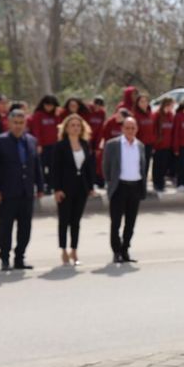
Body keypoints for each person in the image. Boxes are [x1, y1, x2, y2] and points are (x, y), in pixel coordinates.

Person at [0, 109, 44, 271]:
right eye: (15, 123)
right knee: (6, 227)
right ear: (9, 123)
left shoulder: (31, 140)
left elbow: (36, 166)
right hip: (7, 193)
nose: (18, 126)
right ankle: (5, 258)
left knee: (25, 228)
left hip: (27, 192)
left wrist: (40, 187)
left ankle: (20, 257)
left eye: (21, 123)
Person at [53, 113, 96, 266]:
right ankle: (63, 250)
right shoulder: (60, 146)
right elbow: (55, 169)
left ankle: (74, 250)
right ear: (66, 128)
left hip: (81, 187)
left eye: (78, 125)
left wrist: (91, 186)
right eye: (72, 125)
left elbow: (89, 167)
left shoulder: (85, 144)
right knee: (64, 220)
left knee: (76, 221)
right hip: (65, 188)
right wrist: (57, 189)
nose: (76, 128)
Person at [102, 117, 146, 264]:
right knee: (116, 222)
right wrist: (111, 181)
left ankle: (125, 249)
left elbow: (142, 166)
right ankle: (116, 252)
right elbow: (106, 167)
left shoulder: (140, 145)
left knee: (130, 222)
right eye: (127, 128)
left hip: (135, 187)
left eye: (133, 128)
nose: (130, 131)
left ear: (137, 129)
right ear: (122, 129)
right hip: (119, 187)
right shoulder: (112, 145)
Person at [30, 95, 61, 194]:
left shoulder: (57, 115)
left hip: (55, 145)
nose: (49, 108)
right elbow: (36, 130)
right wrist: (38, 144)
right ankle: (41, 186)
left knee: (53, 167)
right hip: (43, 145)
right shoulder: (38, 115)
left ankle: (51, 186)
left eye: (51, 105)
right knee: (41, 167)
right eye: (47, 105)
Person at [152, 96, 175, 192]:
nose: (172, 107)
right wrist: (155, 142)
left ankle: (162, 182)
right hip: (159, 145)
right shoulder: (157, 114)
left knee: (164, 165)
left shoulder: (171, 115)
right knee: (157, 164)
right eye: (171, 105)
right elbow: (153, 129)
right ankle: (156, 183)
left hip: (168, 145)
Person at [133, 92, 156, 183]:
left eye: (145, 101)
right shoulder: (135, 115)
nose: (144, 103)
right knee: (138, 166)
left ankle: (143, 184)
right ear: (137, 103)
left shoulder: (151, 114)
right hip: (139, 145)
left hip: (149, 144)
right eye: (141, 101)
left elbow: (153, 129)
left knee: (146, 165)